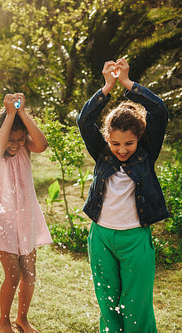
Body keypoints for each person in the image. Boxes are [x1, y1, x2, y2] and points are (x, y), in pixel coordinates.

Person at [77, 58, 169, 332]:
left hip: (135, 238)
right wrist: (107, 87)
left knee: (135, 303)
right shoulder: (102, 151)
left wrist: (127, 84)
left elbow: (159, 112)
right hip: (101, 237)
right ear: (107, 139)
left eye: (129, 143)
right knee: (108, 302)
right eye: (115, 143)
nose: (122, 149)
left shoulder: (146, 152)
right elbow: (84, 119)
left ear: (139, 138)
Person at [0, 93, 52, 333]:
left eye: (20, 139)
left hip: (26, 217)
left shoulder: (25, 149)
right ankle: (3, 320)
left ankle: (22, 319)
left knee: (29, 273)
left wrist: (21, 112)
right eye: (11, 138)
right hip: (2, 219)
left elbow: (42, 144)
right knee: (12, 274)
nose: (15, 144)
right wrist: (10, 114)